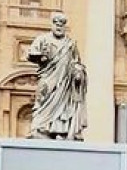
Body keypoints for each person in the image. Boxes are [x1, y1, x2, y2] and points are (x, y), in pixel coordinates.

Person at [28, 12, 87, 140]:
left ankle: (60, 130)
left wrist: (78, 73)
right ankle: (41, 128)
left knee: (63, 106)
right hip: (48, 78)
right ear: (52, 25)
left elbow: (77, 62)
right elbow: (31, 53)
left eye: (62, 25)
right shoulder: (42, 39)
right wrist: (41, 57)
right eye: (56, 24)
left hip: (65, 82)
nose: (59, 27)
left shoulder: (70, 44)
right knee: (43, 100)